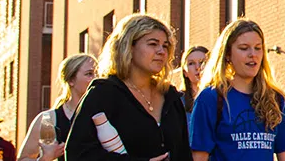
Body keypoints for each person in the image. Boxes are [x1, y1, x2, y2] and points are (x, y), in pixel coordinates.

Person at [65, 14, 191, 161]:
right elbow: (77, 154)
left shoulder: (170, 96)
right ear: (129, 46)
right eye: (152, 44)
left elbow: (183, 153)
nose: (161, 51)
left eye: (165, 45)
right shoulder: (103, 94)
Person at [189, 19, 285, 161]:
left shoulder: (275, 99)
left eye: (258, 48)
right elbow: (199, 156)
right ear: (227, 54)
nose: (253, 54)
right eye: (244, 48)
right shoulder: (210, 98)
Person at [16, 54, 95, 161]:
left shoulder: (107, 114)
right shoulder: (48, 120)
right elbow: (23, 159)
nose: (96, 79)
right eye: (89, 74)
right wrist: (45, 158)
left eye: (98, 73)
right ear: (71, 80)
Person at [177, 47, 209, 113]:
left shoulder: (223, 96)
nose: (197, 67)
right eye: (191, 63)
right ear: (185, 72)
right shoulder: (178, 100)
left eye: (202, 62)